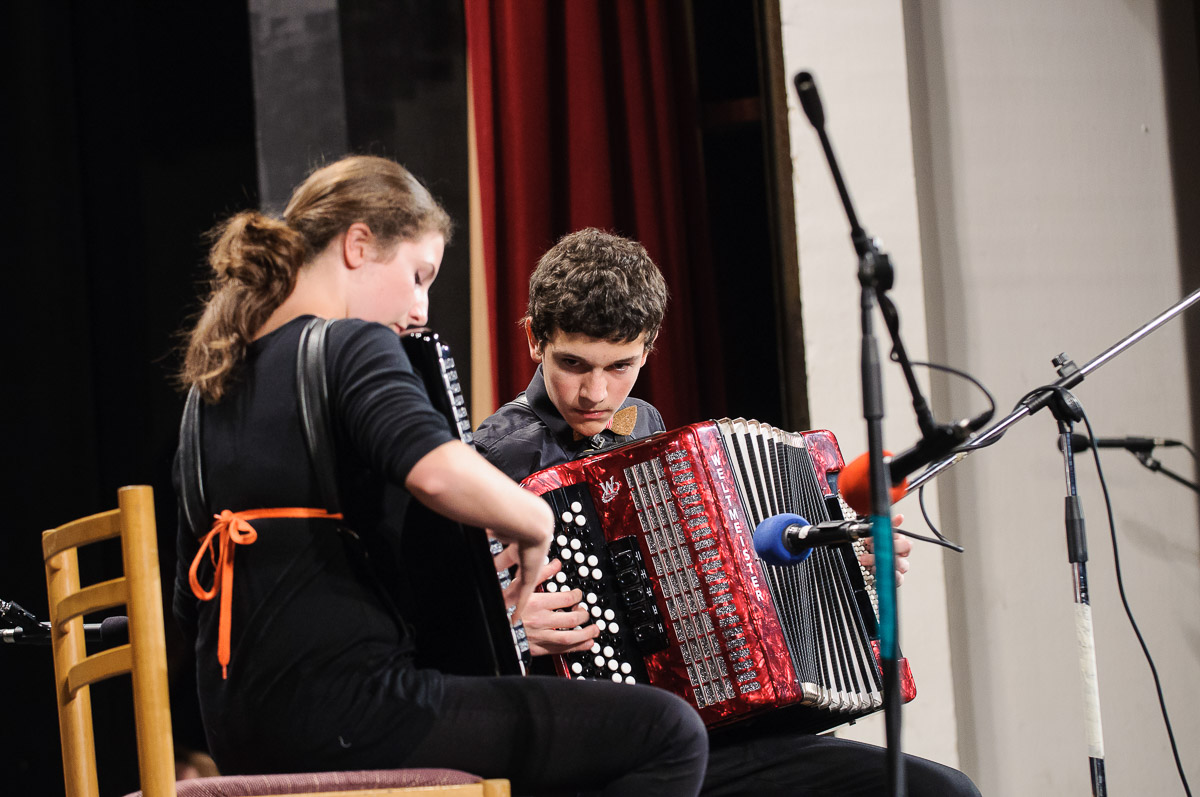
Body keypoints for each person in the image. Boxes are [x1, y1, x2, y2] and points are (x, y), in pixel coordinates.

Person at [173, 157, 708, 796]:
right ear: (358, 245)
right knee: (669, 734)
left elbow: (187, 602)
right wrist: (533, 518)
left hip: (238, 729)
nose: (422, 308)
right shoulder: (350, 342)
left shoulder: (211, 386)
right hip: (353, 710)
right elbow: (432, 469)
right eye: (420, 276)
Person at [473, 228, 982, 796]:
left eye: (620, 366)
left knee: (940, 790)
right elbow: (436, 641)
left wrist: (844, 565)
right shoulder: (494, 460)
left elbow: (712, 586)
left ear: (650, 347)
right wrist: (506, 632)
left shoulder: (641, 421)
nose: (596, 392)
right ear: (535, 341)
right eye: (574, 363)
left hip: (707, 729)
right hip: (593, 755)